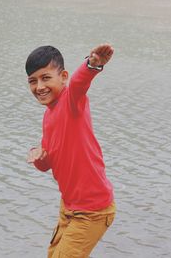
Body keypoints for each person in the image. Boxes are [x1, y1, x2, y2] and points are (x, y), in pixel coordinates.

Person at [25, 43, 116, 258]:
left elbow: (79, 84)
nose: (39, 87)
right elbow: (48, 162)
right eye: (32, 81)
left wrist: (91, 66)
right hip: (68, 207)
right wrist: (39, 157)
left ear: (63, 77)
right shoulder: (48, 116)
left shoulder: (71, 102)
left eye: (46, 78)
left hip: (93, 210)